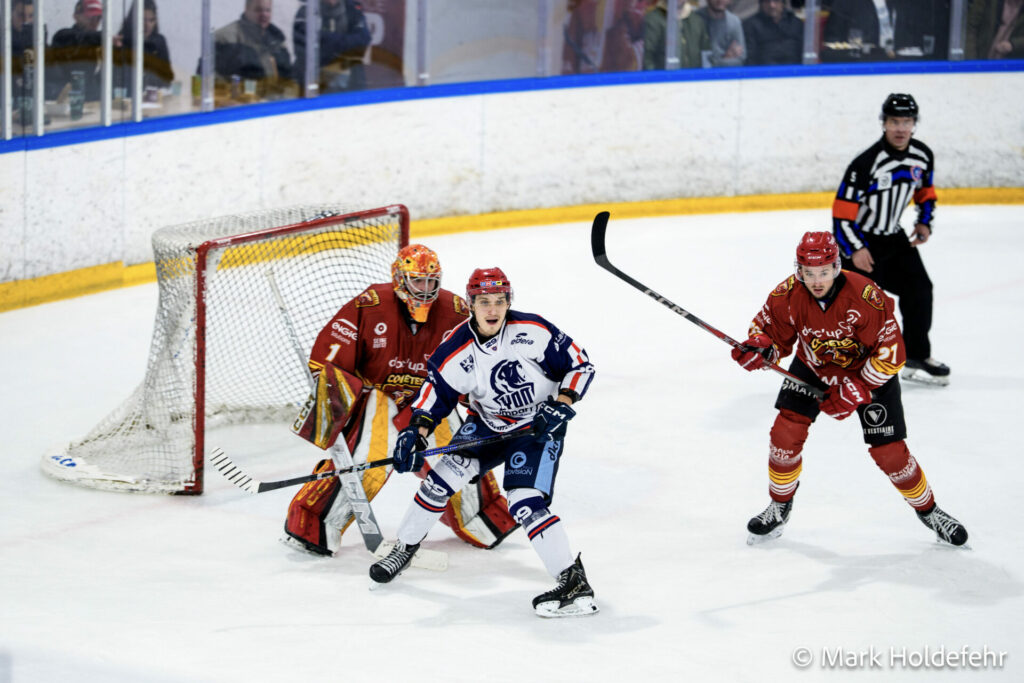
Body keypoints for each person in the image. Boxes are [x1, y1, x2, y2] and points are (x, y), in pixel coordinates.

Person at [369, 267, 599, 618]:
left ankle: (573, 580)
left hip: (536, 428)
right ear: (471, 304)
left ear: (509, 302)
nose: (493, 309)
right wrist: (414, 434)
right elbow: (435, 398)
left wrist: (561, 406)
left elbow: (581, 366)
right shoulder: (456, 349)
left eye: (500, 301)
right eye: (484, 302)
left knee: (524, 501)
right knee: (438, 482)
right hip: (488, 427)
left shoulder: (532, 331)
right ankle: (404, 547)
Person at [732, 231, 968, 546]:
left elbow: (892, 352)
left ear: (836, 266)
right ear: (799, 269)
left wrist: (860, 387)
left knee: (891, 454)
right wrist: (760, 348)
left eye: (824, 271)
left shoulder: (866, 296)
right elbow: (769, 332)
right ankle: (779, 506)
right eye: (809, 272)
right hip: (813, 368)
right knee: (784, 435)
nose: (817, 280)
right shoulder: (787, 294)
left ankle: (930, 511)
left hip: (869, 374)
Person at [284, 246, 517, 558]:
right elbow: (329, 362)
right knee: (369, 454)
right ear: (398, 279)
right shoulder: (370, 305)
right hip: (377, 395)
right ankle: (316, 521)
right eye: (417, 282)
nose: (425, 290)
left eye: (431, 282)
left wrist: (488, 404)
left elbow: (479, 363)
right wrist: (331, 409)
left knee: (457, 455)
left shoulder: (457, 311)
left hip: (429, 397)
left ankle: (480, 516)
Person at [832, 93, 948, 385]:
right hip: (862, 242)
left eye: (906, 121)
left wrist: (924, 221)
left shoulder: (922, 155)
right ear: (883, 123)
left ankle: (916, 355)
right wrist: (855, 249)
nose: (900, 128)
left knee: (920, 290)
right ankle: (846, 362)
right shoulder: (866, 163)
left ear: (914, 124)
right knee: (860, 307)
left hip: (894, 239)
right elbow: (841, 214)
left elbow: (925, 191)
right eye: (894, 121)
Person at [211, 0, 296, 99]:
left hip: (277, 107)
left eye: (268, 10)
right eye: (258, 10)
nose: (264, 14)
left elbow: (289, 78)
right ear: (246, 10)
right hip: (242, 109)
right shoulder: (226, 38)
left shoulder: (277, 39)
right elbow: (210, 79)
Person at [292, 0, 371, 94]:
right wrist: (344, 48)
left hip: (351, 88)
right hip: (316, 89)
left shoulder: (353, 9)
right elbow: (305, 51)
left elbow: (362, 42)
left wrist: (325, 41)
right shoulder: (306, 12)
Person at [49, 0, 104, 102]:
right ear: (76, 16)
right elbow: (79, 37)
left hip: (90, 101)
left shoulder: (96, 41)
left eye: (98, 18)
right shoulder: (63, 36)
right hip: (63, 103)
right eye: (90, 17)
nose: (95, 22)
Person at [114, 0, 174, 92]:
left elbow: (167, 79)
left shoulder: (159, 41)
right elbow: (117, 81)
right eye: (143, 20)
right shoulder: (122, 41)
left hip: (152, 99)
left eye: (151, 20)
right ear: (133, 20)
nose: (147, 25)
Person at [642, 0, 711, 70]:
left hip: (696, 79)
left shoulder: (697, 21)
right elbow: (647, 58)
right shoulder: (652, 20)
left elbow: (706, 54)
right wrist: (656, 79)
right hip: (665, 79)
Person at [742, 0, 803, 65]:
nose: (772, 5)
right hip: (763, 72)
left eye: (776, 1)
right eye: (767, 1)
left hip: (795, 71)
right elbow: (750, 57)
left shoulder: (796, 23)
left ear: (783, 3)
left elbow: (802, 52)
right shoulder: (750, 25)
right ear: (761, 4)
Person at [697, 0, 747, 66]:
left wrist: (717, 62)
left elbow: (741, 58)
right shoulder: (696, 19)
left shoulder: (734, 21)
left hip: (728, 74)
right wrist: (725, 58)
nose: (720, 0)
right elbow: (697, 60)